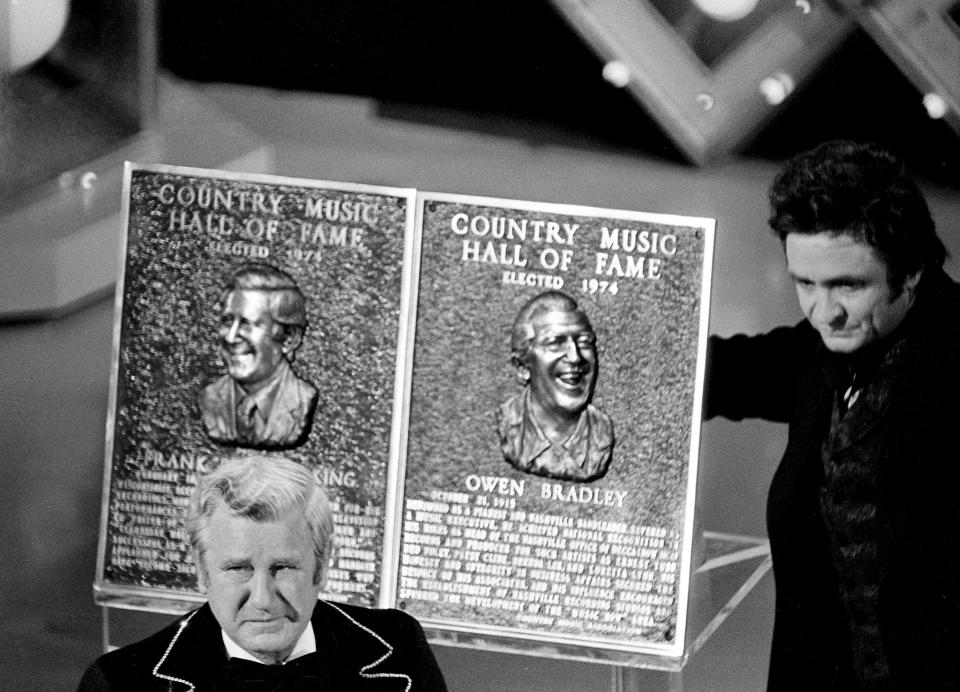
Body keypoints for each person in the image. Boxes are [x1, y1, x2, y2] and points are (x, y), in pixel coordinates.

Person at [705, 140, 960, 689]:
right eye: (806, 284)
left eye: (849, 284)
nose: (825, 312)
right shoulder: (820, 347)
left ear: (912, 269)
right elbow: (717, 372)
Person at [78, 455, 448, 691]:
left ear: (321, 564)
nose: (262, 599)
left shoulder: (400, 646)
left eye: (283, 567)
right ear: (203, 571)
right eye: (238, 569)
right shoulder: (120, 683)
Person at [495, 290, 614, 482]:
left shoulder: (601, 433)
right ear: (523, 366)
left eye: (584, 342)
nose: (575, 357)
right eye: (555, 343)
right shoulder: (510, 423)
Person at [198, 263, 318, 450]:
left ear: (288, 338)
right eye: (227, 321)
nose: (230, 337)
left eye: (247, 324)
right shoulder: (210, 398)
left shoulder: (302, 399)